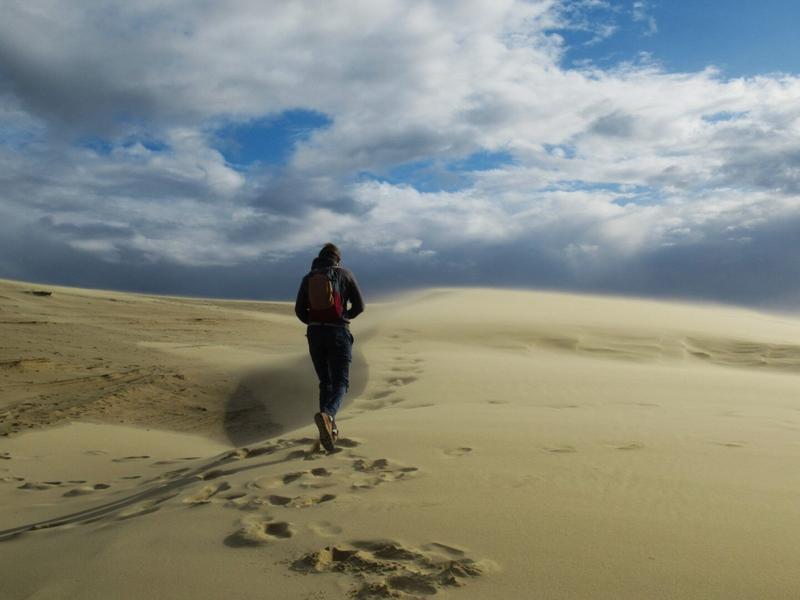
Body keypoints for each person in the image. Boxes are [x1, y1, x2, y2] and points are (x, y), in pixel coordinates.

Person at [294, 243, 364, 451]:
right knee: (341, 382)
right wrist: (343, 317)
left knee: (325, 382)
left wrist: (315, 323)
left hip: (315, 334)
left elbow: (299, 310)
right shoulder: (345, 274)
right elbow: (360, 306)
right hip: (338, 333)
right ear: (337, 259)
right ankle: (328, 415)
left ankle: (328, 431)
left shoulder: (308, 278)